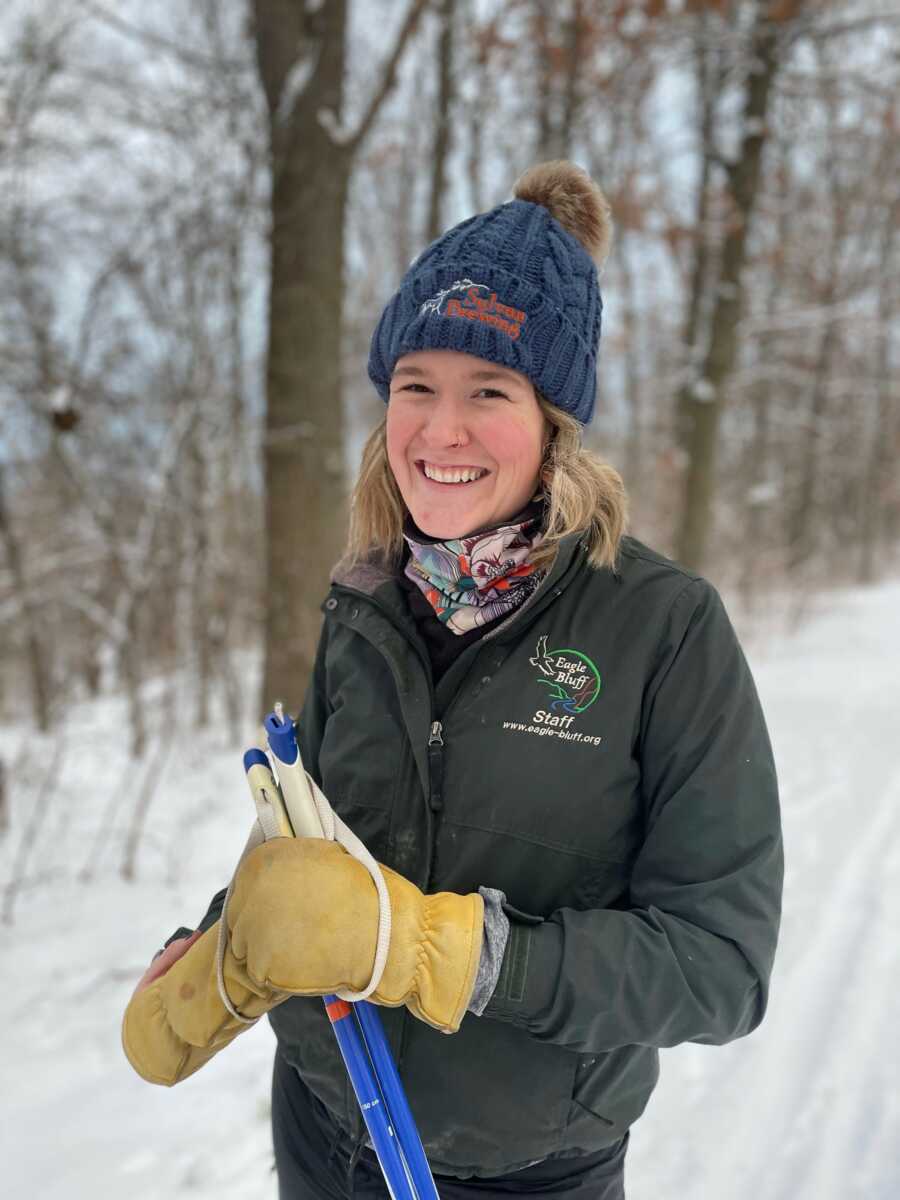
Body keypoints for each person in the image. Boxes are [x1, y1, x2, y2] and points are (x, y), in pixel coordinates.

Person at [122, 161, 783, 1200]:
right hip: (325, 1119)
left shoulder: (664, 627)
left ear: (556, 420)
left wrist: (438, 951)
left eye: (490, 391)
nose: (441, 431)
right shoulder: (367, 599)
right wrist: (218, 938)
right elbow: (318, 835)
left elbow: (720, 966)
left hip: (526, 1168)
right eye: (416, 386)